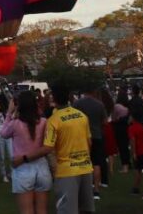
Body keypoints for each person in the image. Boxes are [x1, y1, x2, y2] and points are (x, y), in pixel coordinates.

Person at [26, 82, 94, 214]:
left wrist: (24, 158)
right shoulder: (82, 115)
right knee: (85, 209)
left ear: (54, 98)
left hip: (67, 172)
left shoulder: (53, 120)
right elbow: (89, 142)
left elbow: (47, 148)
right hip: (86, 168)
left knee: (67, 210)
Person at [2, 91, 51, 214]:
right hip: (42, 167)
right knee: (42, 210)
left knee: (26, 211)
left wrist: (9, 113)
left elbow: (3, 133)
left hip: (22, 168)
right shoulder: (44, 122)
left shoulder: (15, 123)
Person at [73, 88, 106, 200]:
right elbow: (105, 121)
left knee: (81, 162)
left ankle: (82, 190)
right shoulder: (99, 104)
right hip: (96, 135)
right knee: (96, 163)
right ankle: (96, 190)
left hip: (81, 136)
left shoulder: (77, 103)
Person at [127, 106, 143, 196]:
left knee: (137, 170)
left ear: (133, 118)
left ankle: (136, 188)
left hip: (140, 151)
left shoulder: (132, 128)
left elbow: (132, 140)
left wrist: (134, 152)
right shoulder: (142, 127)